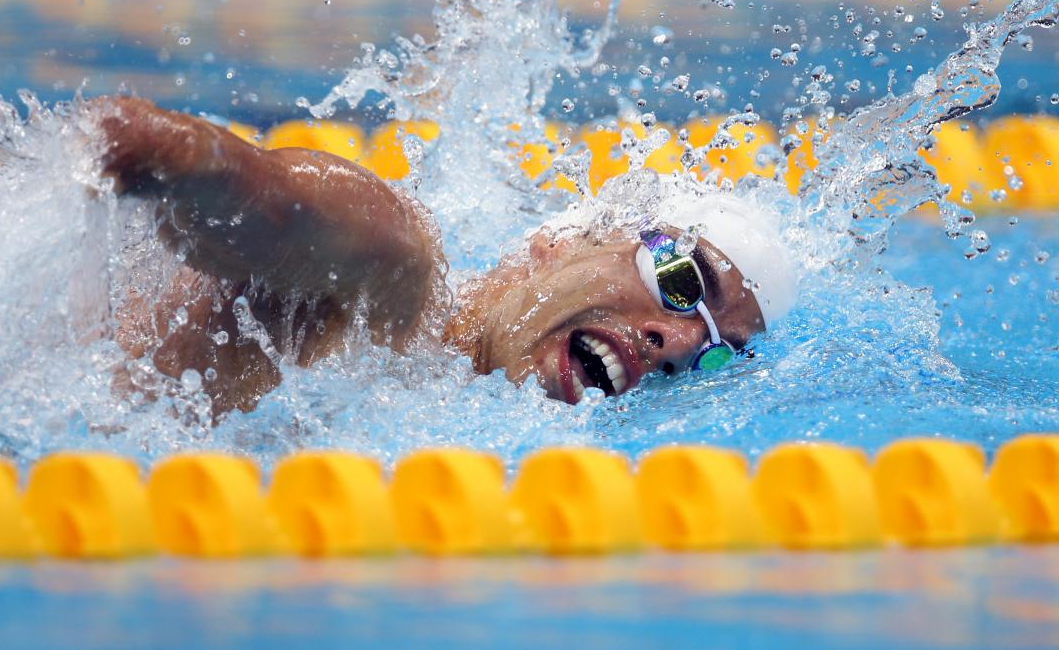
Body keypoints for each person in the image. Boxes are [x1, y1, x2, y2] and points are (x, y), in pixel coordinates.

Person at [97, 96, 797, 417]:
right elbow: (280, 205)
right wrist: (180, 159)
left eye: (712, 351)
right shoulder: (391, 277)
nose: (675, 341)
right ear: (561, 240)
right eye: (680, 279)